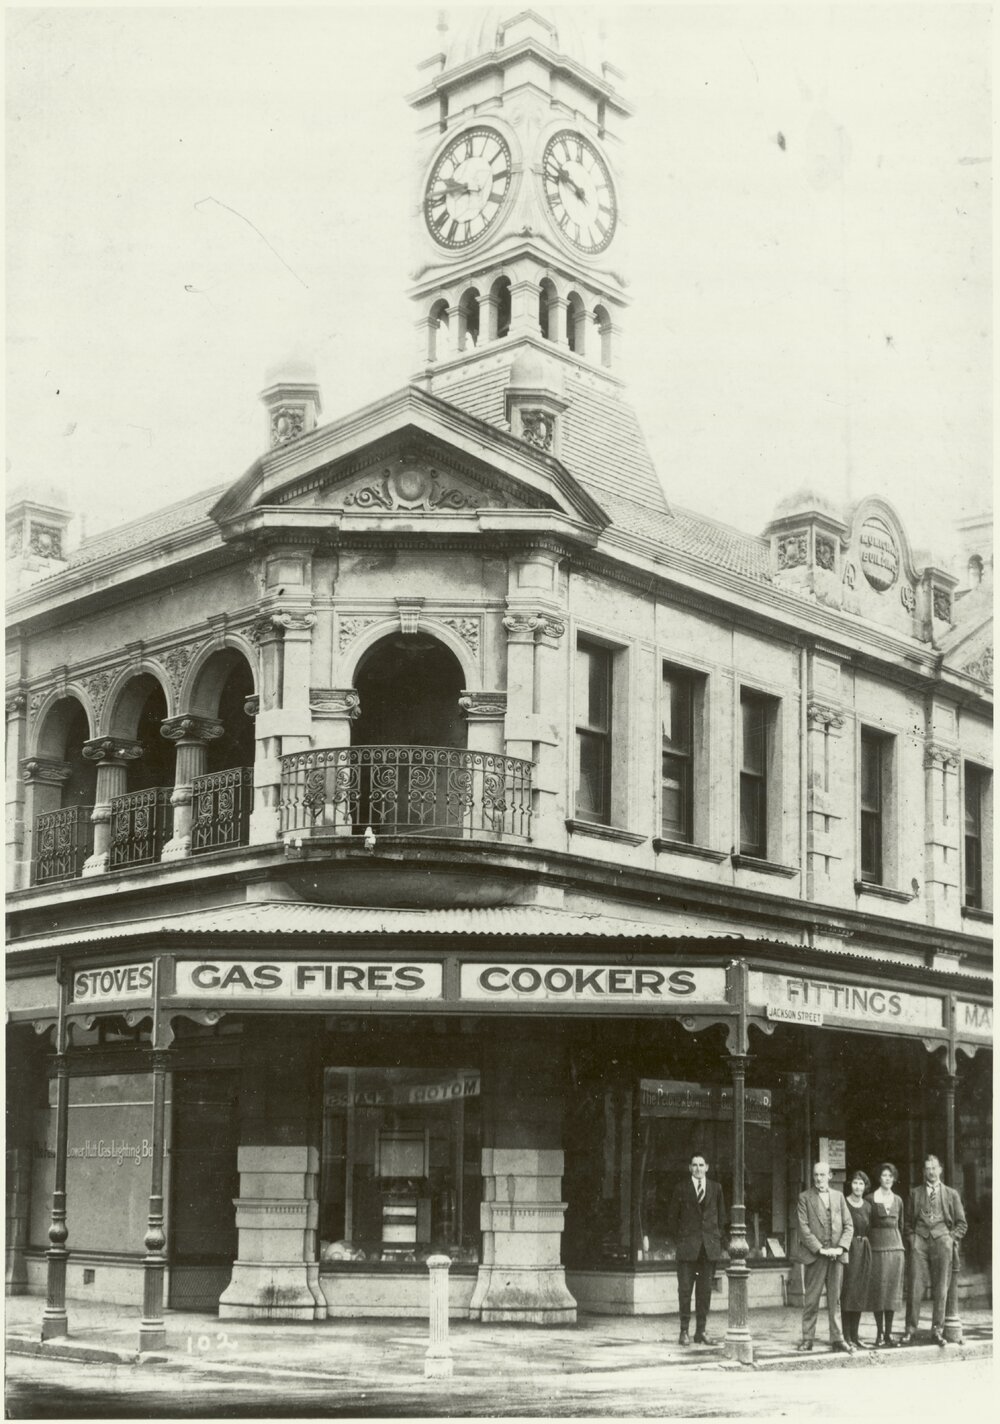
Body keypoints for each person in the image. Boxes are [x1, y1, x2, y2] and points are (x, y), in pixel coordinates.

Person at [902, 1153, 967, 1346]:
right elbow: (906, 1224)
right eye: (927, 1168)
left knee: (941, 1289)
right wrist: (913, 1240)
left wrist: (949, 1239)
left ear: (940, 1170)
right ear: (923, 1171)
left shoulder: (951, 1194)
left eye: (934, 1168)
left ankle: (937, 1331)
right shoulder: (915, 1193)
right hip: (920, 1243)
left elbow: (962, 1223)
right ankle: (910, 1330)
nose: (931, 1172)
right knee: (915, 1287)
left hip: (942, 1243)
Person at [794, 1161, 855, 1353]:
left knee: (835, 1300)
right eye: (816, 1175)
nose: (819, 1179)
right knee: (811, 1300)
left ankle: (837, 1338)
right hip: (816, 1257)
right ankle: (807, 1339)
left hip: (836, 1257)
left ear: (830, 1176)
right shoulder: (804, 1198)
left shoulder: (839, 1197)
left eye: (822, 1175)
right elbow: (803, 1228)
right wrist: (820, 1249)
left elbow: (849, 1225)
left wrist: (841, 1248)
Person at [666, 1152, 727, 1345]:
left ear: (707, 1167)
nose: (698, 1169)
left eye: (701, 1165)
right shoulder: (681, 1189)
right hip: (687, 1250)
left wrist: (716, 1241)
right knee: (684, 1291)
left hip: (708, 1250)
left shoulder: (716, 1188)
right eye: (694, 1165)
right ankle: (684, 1331)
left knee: (705, 1292)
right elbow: (672, 1220)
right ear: (689, 1167)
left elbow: (722, 1218)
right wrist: (682, 1241)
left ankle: (701, 1331)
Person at [867, 1161, 905, 1346]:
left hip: (896, 1250)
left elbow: (902, 1226)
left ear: (894, 1178)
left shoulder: (898, 1200)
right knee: (879, 1292)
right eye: (884, 1175)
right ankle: (879, 1334)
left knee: (891, 1293)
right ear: (879, 1178)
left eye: (890, 1176)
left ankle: (889, 1334)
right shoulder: (869, 1199)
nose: (887, 1179)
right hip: (877, 1250)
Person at [840, 1169, 873, 1348]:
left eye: (861, 1183)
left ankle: (855, 1334)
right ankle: (846, 1336)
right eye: (855, 1183)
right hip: (850, 1249)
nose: (858, 1186)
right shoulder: (844, 1203)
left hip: (864, 1249)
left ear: (865, 1186)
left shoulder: (868, 1206)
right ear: (850, 1185)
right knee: (849, 1292)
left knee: (860, 1292)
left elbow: (871, 1228)